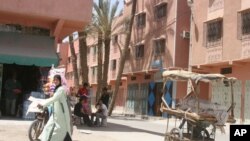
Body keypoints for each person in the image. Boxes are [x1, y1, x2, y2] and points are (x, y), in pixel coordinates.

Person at [37, 75, 72, 141]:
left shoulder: (61, 89)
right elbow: (53, 100)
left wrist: (42, 104)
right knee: (48, 127)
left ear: (60, 81)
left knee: (60, 130)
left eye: (57, 80)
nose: (55, 81)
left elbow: (54, 99)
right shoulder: (56, 89)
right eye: (54, 80)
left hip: (61, 114)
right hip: (55, 113)